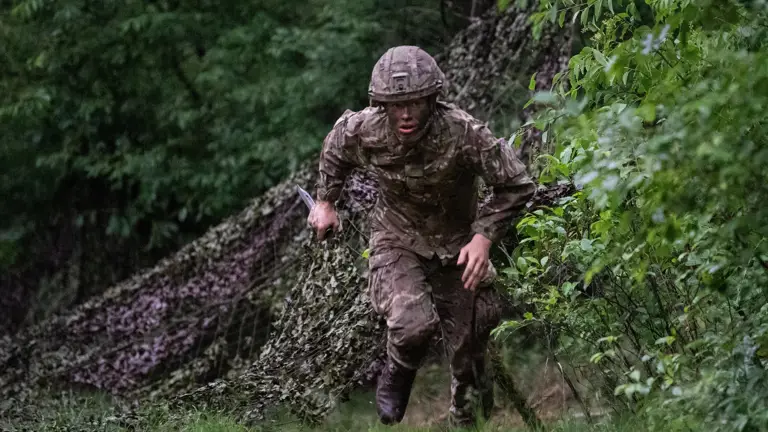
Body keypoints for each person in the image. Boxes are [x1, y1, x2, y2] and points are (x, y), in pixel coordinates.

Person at [307, 45, 536, 427]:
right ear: (382, 105)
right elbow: (335, 147)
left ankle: (466, 418)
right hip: (396, 237)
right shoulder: (366, 129)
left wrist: (483, 237)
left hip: (458, 245)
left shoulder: (463, 132)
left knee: (475, 367)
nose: (406, 114)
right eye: (396, 104)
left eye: (415, 102)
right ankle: (397, 373)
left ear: (432, 99)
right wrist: (326, 202)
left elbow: (516, 185)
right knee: (412, 324)